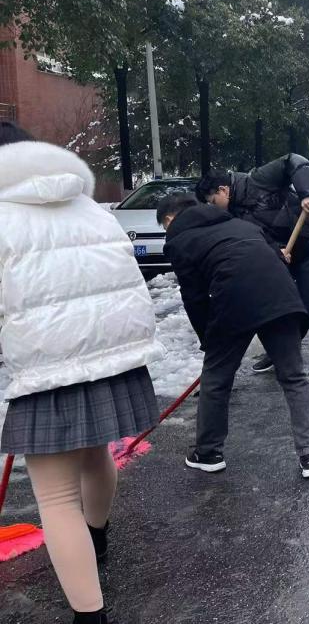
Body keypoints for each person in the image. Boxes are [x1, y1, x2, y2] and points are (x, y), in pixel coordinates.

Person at [0, 122, 163, 624]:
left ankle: (90, 615)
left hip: (46, 368)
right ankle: (96, 540)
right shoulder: (90, 208)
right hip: (113, 357)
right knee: (95, 455)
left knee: (55, 497)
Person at [157, 193, 309, 476]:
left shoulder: (179, 241)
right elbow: (275, 256)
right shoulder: (241, 224)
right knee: (294, 376)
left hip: (232, 300)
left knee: (216, 378)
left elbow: (194, 297)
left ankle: (208, 452)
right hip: (281, 296)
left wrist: (208, 340)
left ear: (170, 219)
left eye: (165, 227)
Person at [195, 154, 309, 381]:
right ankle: (279, 351)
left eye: (212, 201)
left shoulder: (258, 180)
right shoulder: (233, 212)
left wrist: (306, 193)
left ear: (223, 190)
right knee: (277, 305)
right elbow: (256, 236)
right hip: (284, 254)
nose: (213, 207)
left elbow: (294, 161)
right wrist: (276, 251)